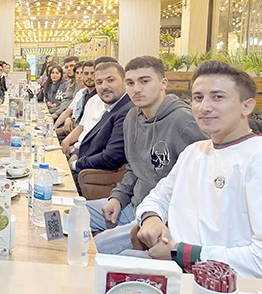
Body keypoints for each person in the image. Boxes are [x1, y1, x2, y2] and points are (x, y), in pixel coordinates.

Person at [134, 60, 262, 277]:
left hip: (220, 284)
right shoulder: (194, 152)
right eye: (198, 98)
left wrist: (180, 253)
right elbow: (157, 198)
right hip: (171, 269)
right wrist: (151, 218)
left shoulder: (256, 157)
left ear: (246, 106)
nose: (204, 107)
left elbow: (258, 259)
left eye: (217, 97)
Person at [86, 56, 205, 254]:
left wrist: (159, 220)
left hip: (160, 219)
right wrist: (118, 197)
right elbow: (134, 168)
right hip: (132, 204)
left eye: (144, 81)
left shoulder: (184, 122)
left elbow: (196, 189)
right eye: (130, 83)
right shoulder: (132, 117)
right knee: (71, 216)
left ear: (163, 83)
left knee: (94, 247)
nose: (136, 89)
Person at [70, 62, 134, 191]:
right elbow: (91, 140)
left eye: (110, 80)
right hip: (83, 167)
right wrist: (76, 154)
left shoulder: (126, 111)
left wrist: (74, 165)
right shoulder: (113, 108)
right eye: (99, 82)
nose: (104, 86)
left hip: (92, 180)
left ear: (124, 81)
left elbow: (112, 157)